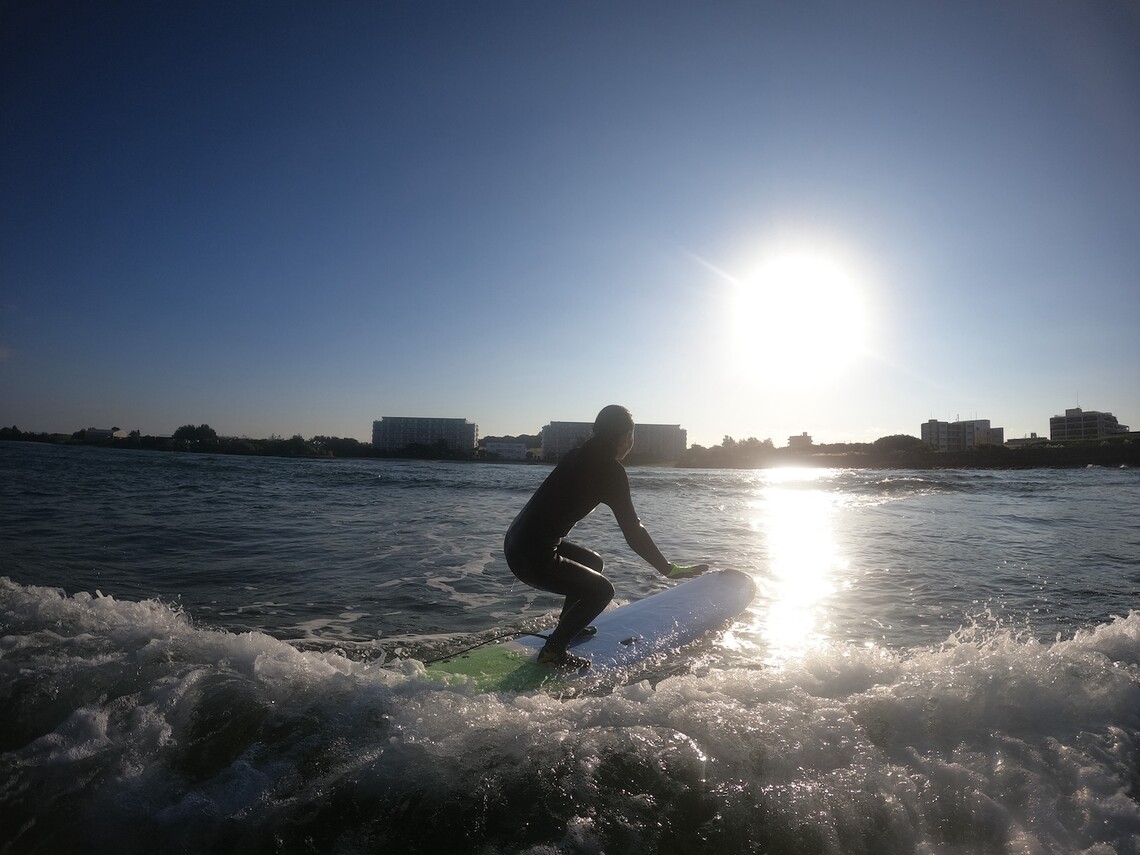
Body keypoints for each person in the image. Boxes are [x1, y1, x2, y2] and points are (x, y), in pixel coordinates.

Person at [503, 405, 709, 669]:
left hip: (515, 545)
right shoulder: (610, 471)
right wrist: (668, 570)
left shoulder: (577, 455)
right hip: (534, 557)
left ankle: (568, 627)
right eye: (631, 437)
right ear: (624, 437)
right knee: (603, 591)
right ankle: (553, 651)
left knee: (594, 563)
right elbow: (633, 533)